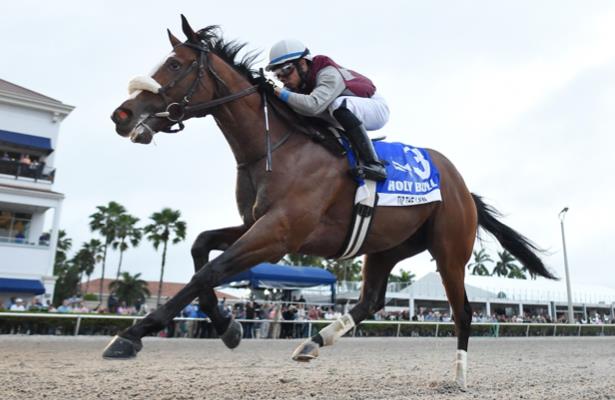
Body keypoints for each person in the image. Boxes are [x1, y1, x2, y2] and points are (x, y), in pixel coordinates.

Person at [262, 39, 389, 181]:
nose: (283, 78)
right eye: (277, 74)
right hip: (343, 114)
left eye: (286, 70)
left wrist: (275, 90)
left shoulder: (328, 73)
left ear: (303, 63)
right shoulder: (294, 86)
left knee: (337, 104)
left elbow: (313, 106)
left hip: (375, 108)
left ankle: (375, 165)